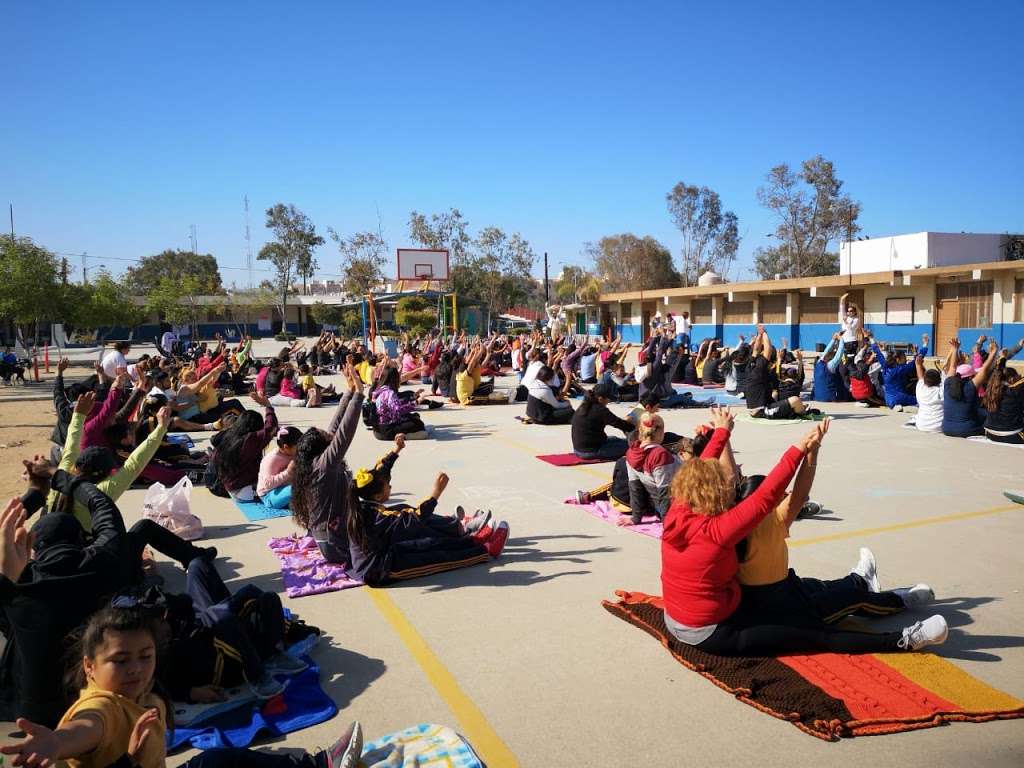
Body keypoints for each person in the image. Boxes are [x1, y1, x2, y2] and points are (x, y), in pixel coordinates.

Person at [660, 421, 949, 655]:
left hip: (688, 614)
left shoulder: (677, 512)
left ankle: (861, 581)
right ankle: (904, 641)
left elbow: (709, 469)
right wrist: (800, 449)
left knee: (817, 588)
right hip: (710, 631)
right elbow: (766, 496)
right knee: (816, 635)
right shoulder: (720, 531)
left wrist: (722, 432)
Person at [0, 606, 362, 768]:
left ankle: (319, 763)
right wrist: (56, 742)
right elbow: (84, 728)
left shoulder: (143, 696)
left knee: (223, 760)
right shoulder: (101, 708)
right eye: (120, 661)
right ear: (89, 667)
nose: (137, 669)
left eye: (145, 656)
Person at [735, 420, 937, 631]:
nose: (785, 497)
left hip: (779, 590)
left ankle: (861, 579)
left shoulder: (737, 526)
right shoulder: (772, 523)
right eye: (778, 497)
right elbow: (800, 492)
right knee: (852, 599)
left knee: (815, 585)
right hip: (783, 610)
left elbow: (798, 494)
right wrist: (811, 451)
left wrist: (812, 452)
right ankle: (900, 600)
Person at [346, 438, 506, 586]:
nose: (390, 486)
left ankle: (471, 540)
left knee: (429, 543)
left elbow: (380, 471)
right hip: (380, 569)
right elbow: (415, 517)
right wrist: (436, 493)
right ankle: (487, 551)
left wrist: (396, 450)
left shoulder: (367, 500)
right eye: (388, 485)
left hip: (386, 552)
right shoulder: (378, 518)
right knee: (437, 558)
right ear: (379, 495)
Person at [291, 364, 365, 564]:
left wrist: (349, 391)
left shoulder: (313, 462)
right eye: (324, 435)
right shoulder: (324, 465)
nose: (328, 432)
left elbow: (335, 427)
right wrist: (358, 396)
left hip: (330, 540)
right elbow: (344, 433)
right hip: (338, 545)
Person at [622, 408, 734, 526]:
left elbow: (635, 488)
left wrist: (636, 517)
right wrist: (668, 524)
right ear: (660, 432)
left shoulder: (631, 453)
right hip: (681, 508)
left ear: (640, 430)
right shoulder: (660, 456)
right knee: (726, 475)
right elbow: (665, 492)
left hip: (660, 507)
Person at [213, 392, 278, 501]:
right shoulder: (249, 440)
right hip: (244, 491)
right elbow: (270, 428)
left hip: (229, 486)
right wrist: (268, 407)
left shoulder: (230, 436)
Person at [943, 338, 998, 438]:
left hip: (946, 429)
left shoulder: (948, 384)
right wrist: (993, 353)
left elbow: (952, 367)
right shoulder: (969, 388)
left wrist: (955, 349)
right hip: (968, 430)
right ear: (969, 377)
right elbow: (984, 370)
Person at [747, 327, 807, 419]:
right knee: (796, 400)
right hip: (762, 410)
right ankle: (802, 413)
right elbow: (768, 349)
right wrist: (764, 332)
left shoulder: (752, 362)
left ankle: (793, 409)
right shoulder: (761, 368)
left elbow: (756, 349)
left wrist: (760, 334)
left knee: (775, 394)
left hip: (756, 407)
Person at [571, 383, 634, 460]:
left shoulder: (584, 406)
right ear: (600, 398)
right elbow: (620, 424)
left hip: (579, 449)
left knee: (615, 438)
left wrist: (624, 422)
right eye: (608, 398)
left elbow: (615, 421)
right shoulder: (600, 410)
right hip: (591, 451)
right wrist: (634, 425)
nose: (609, 401)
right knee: (633, 446)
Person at [372, 366, 428, 440]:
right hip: (386, 430)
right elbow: (398, 411)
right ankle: (403, 436)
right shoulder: (389, 393)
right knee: (418, 424)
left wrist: (414, 397)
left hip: (377, 429)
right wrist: (416, 402)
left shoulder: (379, 389)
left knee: (414, 416)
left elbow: (396, 404)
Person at [257, 426, 302, 509]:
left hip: (285, 488)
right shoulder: (272, 459)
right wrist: (288, 472)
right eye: (298, 446)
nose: (301, 448)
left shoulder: (293, 453)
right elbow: (267, 485)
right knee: (296, 488)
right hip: (269, 495)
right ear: (286, 447)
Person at [982, 358, 1024, 444]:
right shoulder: (1015, 391)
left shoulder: (990, 390)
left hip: (990, 434)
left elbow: (998, 373)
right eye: (1017, 376)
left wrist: (1003, 360)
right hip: (1012, 436)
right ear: (1012, 379)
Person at [913, 349, 944, 433]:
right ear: (939, 381)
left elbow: (920, 376)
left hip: (921, 425)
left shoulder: (920, 388)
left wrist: (918, 364)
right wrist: (953, 350)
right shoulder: (941, 390)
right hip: (939, 427)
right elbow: (951, 370)